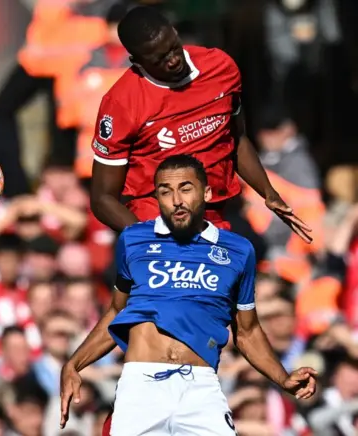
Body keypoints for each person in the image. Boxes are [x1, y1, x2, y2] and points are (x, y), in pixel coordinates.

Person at [60, 155, 317, 435]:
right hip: (141, 387)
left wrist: (283, 378)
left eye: (185, 188)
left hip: (201, 388)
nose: (176, 200)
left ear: (206, 192)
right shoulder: (133, 240)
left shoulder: (238, 251)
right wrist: (74, 363)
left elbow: (247, 331)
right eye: (165, 191)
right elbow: (117, 312)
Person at [88, 6, 311, 244]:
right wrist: (149, 239)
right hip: (156, 221)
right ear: (137, 61)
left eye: (173, 48)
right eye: (159, 60)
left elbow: (234, 140)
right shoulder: (121, 103)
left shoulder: (220, 68)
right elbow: (102, 198)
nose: (173, 60)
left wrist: (268, 193)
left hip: (215, 217)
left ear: (175, 32)